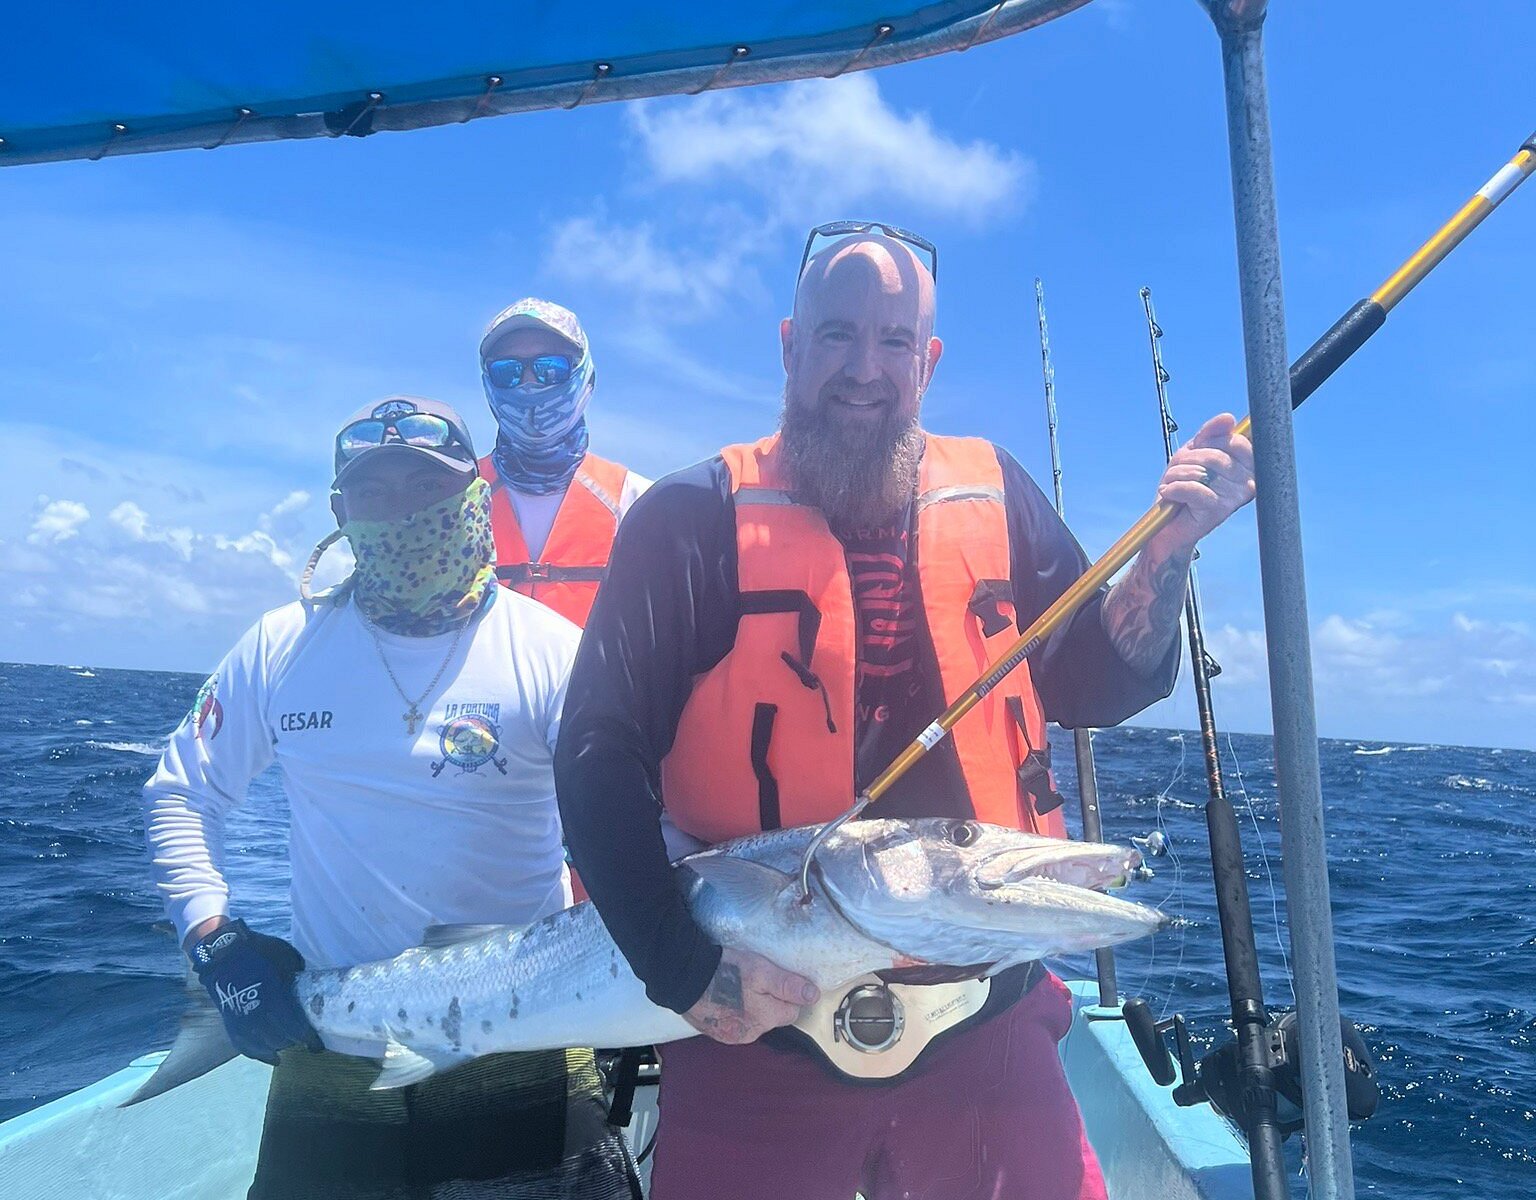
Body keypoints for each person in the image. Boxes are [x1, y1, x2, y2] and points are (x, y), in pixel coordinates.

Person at [554, 226, 1257, 1200]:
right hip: (757, 1031)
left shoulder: (998, 492)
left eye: (893, 342)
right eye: (838, 335)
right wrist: (681, 969)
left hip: (986, 1023)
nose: (863, 369)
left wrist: (1169, 547)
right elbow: (594, 752)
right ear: (791, 345)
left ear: (927, 363)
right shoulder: (689, 518)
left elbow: (1102, 680)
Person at [142, 395, 640, 1200]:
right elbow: (182, 791)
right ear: (340, 510)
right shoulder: (280, 645)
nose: (403, 511)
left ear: (474, 493)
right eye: (375, 493)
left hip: (524, 1038)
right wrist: (214, 942)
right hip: (331, 1041)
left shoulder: (554, 651)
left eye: (427, 488)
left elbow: (626, 825)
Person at [479, 298, 650, 628]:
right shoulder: (454, 499)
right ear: (488, 383)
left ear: (586, 378)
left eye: (551, 368)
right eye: (507, 372)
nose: (528, 383)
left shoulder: (637, 502)